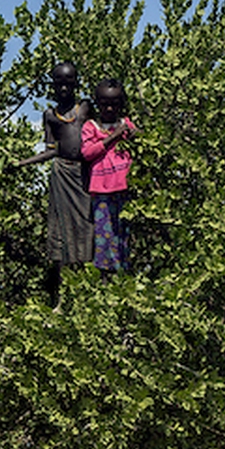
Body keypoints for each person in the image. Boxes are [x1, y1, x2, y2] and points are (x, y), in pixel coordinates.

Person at [36, 62, 92, 300]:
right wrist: (23, 162)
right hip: (61, 175)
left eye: (68, 82)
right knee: (60, 234)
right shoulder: (50, 115)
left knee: (87, 228)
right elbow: (51, 149)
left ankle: (88, 291)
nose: (64, 88)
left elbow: (101, 132)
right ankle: (62, 296)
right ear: (53, 85)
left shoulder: (86, 107)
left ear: (75, 84)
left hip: (85, 174)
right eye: (59, 83)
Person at [79, 78, 136, 274]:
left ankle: (123, 276)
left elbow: (141, 141)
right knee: (104, 235)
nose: (110, 108)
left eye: (114, 103)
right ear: (97, 103)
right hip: (102, 191)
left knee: (124, 235)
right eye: (104, 103)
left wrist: (132, 133)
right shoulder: (91, 126)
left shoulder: (126, 124)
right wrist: (113, 136)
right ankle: (105, 277)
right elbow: (87, 153)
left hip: (125, 189)